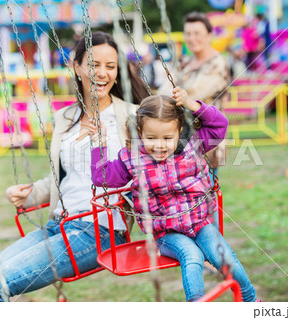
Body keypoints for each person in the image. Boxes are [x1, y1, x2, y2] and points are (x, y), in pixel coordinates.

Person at [0, 31, 148, 302]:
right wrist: (29, 194)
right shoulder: (65, 117)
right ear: (77, 67)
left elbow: (158, 164)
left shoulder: (132, 115)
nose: (102, 73)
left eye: (110, 66)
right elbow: (64, 177)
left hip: (100, 231)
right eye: (94, 65)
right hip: (59, 225)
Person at [88, 87, 257, 302]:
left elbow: (219, 125)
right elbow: (103, 178)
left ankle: (250, 301)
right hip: (166, 234)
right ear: (140, 133)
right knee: (192, 256)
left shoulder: (192, 145)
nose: (159, 145)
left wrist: (191, 104)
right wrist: (99, 144)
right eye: (151, 138)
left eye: (168, 138)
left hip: (200, 223)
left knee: (223, 255)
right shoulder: (131, 159)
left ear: (179, 132)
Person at [158, 12, 230, 228]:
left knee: (205, 200)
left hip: (207, 140)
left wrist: (173, 94)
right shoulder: (186, 63)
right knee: (186, 200)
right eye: (188, 33)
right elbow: (163, 91)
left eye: (197, 33)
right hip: (183, 142)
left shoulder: (218, 63)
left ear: (209, 35)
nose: (192, 38)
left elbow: (194, 92)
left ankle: (213, 254)